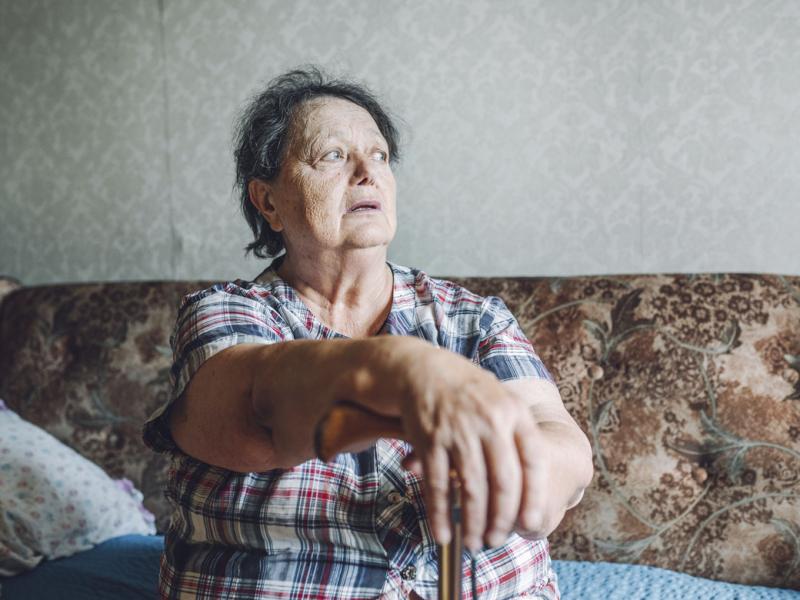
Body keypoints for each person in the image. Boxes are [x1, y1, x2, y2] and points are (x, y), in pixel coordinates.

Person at [143, 67, 593, 599]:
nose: (367, 173)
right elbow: (253, 410)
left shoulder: (474, 318)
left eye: (379, 156)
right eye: (333, 155)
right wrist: (401, 371)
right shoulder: (229, 314)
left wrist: (534, 478)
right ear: (268, 202)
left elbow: (555, 434)